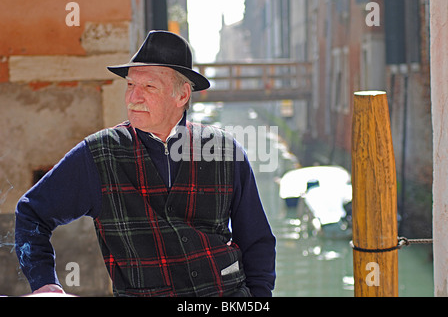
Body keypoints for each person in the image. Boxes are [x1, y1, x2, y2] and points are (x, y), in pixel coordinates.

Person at [15, 30, 276, 297]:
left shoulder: (225, 150)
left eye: (148, 87)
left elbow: (257, 242)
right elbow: (31, 214)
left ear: (182, 95)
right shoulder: (97, 155)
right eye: (130, 85)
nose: (133, 98)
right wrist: (45, 285)